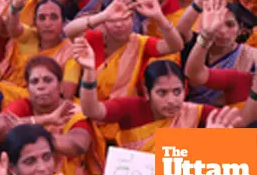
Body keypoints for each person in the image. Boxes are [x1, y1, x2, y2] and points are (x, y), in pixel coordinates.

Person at [74, 38, 245, 153]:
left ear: (185, 89)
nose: (171, 100)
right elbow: (92, 110)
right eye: (162, 93)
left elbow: (239, 130)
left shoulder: (194, 112)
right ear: (147, 93)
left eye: (177, 91)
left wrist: (218, 140)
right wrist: (89, 72)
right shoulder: (131, 109)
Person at [184, 0, 257, 106]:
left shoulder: (251, 57)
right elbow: (180, 31)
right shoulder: (194, 44)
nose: (222, 31)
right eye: (217, 23)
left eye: (230, 24)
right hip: (189, 113)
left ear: (240, 30)